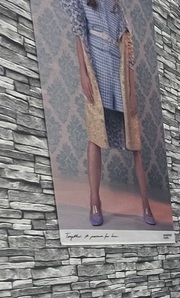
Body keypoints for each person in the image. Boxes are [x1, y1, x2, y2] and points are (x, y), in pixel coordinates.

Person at [62, 0, 155, 226]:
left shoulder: (118, 9)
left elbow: (129, 53)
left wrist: (132, 91)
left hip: (118, 72)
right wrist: (83, 74)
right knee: (95, 135)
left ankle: (146, 204)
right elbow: (79, 35)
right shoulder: (83, 3)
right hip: (97, 68)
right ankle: (94, 201)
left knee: (134, 141)